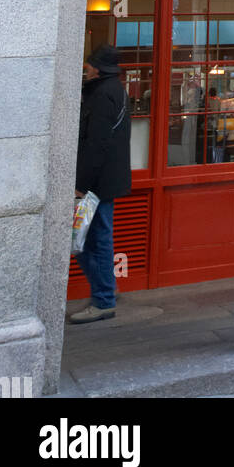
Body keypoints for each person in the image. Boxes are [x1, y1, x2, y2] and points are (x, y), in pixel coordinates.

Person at [70, 44, 132, 324]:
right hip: (104, 180)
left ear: (98, 68)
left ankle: (104, 297)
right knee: (92, 238)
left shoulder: (104, 94)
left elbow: (97, 144)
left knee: (82, 240)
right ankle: (106, 289)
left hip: (95, 183)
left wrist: (81, 185)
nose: (86, 67)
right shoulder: (112, 89)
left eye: (90, 64)